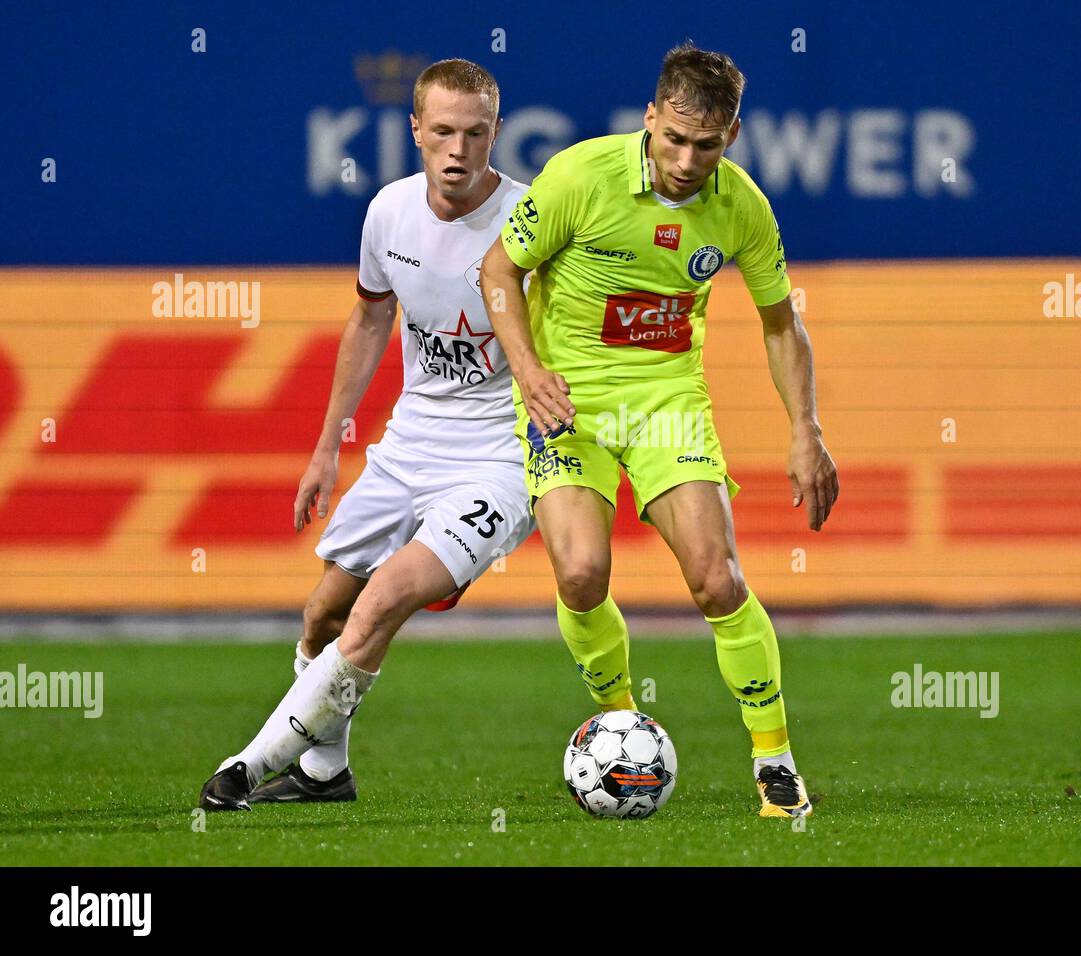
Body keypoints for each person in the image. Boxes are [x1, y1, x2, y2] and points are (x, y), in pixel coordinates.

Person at [480, 42, 838, 817]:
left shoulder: (740, 205)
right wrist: (529, 370)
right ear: (650, 118)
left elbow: (782, 325)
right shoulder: (581, 176)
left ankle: (774, 761)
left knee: (718, 579)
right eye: (673, 138)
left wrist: (805, 429)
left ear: (731, 137)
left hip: (666, 401)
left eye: (705, 145)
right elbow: (497, 273)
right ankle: (615, 717)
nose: (685, 159)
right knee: (581, 575)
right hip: (564, 403)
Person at [198, 59, 533, 811]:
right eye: (442, 131)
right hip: (410, 443)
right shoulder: (388, 213)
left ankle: (249, 767)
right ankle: (326, 771)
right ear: (414, 130)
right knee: (323, 612)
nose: (457, 150)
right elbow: (371, 316)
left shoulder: (530, 222)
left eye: (475, 134)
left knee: (385, 597)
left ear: (496, 134)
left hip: (498, 460)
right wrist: (327, 448)